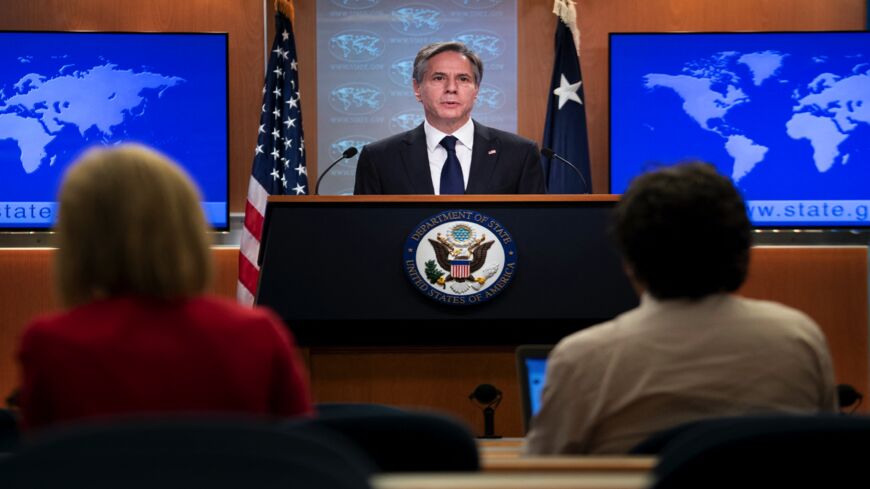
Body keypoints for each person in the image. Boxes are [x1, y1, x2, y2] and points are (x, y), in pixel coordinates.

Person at [525, 162, 837, 455]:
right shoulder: (799, 339)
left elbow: (543, 472)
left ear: (629, 261)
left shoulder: (583, 357)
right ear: (742, 253)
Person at [16, 144, 313, 432]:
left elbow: (44, 466)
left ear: (76, 241)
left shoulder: (51, 344)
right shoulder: (257, 335)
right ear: (188, 228)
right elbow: (303, 458)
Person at [353, 41, 546, 195]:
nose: (451, 88)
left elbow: (533, 228)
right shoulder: (379, 158)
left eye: (463, 79)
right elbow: (366, 232)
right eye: (439, 78)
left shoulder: (519, 154)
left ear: (476, 90)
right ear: (417, 88)